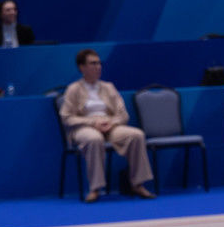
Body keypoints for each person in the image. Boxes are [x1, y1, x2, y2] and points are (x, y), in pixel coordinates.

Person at [59, 49, 155, 203]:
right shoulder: (73, 89)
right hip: (84, 127)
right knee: (94, 139)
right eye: (93, 63)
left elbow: (123, 114)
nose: (98, 67)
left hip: (110, 125)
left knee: (136, 135)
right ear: (82, 67)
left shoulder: (109, 87)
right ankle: (95, 189)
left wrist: (111, 123)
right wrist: (92, 122)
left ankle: (137, 184)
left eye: (99, 63)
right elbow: (66, 117)